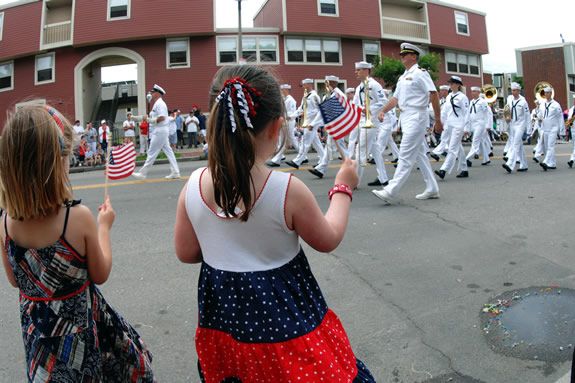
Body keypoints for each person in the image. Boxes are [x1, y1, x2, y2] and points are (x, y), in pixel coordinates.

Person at [173, 65, 375, 382]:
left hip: (224, 323)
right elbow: (328, 237)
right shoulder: (286, 190)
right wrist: (343, 187)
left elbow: (185, 251)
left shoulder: (193, 185)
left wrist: (224, 245)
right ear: (276, 126)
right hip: (286, 326)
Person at [0, 105, 154, 382]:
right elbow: (100, 272)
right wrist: (104, 227)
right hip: (77, 341)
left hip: (37, 338)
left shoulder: (3, 222)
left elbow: (14, 279)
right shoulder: (77, 217)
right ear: (55, 163)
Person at [372, 42, 441, 204]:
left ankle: (391, 190)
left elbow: (433, 94)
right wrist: (383, 110)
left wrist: (438, 119)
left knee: (405, 154)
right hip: (406, 117)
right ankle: (432, 188)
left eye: (405, 54)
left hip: (417, 116)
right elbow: (395, 99)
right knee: (420, 154)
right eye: (401, 54)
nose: (401, 56)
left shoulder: (420, 73)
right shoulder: (403, 77)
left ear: (414, 56)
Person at [133, 84, 181, 179]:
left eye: (153, 92)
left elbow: (162, 117)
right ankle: (175, 172)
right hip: (160, 130)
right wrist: (140, 118)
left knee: (151, 152)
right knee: (169, 152)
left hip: (160, 130)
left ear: (158, 93)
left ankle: (143, 173)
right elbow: (152, 117)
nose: (152, 93)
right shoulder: (157, 103)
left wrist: (151, 120)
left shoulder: (160, 104)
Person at [352, 61, 387, 186]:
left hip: (371, 120)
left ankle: (355, 181)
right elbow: (356, 104)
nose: (356, 72)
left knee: (360, 149)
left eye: (359, 70)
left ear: (366, 71)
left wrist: (370, 109)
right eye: (356, 70)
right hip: (362, 120)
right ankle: (383, 178)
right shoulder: (359, 87)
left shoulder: (375, 85)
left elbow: (384, 101)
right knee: (375, 149)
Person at [308, 75, 350, 178]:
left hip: (338, 125)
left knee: (338, 147)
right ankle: (321, 169)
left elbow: (327, 112)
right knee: (330, 146)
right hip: (333, 125)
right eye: (326, 83)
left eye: (328, 83)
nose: (327, 85)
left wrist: (314, 124)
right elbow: (323, 111)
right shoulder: (329, 95)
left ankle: (350, 166)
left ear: (334, 83)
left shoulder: (337, 95)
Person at [434, 76, 469, 180]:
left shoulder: (463, 97)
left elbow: (466, 113)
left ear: (458, 85)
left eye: (453, 83)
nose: (451, 85)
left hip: (458, 125)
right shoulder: (449, 97)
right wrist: (439, 123)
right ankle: (464, 169)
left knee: (452, 148)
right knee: (458, 147)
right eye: (450, 83)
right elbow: (444, 112)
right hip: (449, 125)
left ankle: (443, 170)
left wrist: (466, 128)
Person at [285, 78, 325, 169]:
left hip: (311, 122)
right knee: (316, 143)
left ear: (309, 85)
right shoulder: (306, 96)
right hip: (308, 122)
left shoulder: (315, 96)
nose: (303, 87)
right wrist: (292, 116)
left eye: (304, 85)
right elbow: (301, 109)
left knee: (305, 141)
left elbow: (319, 110)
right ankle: (323, 159)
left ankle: (297, 161)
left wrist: (313, 123)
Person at [266, 83, 299, 167]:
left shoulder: (290, 100)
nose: (281, 91)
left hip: (289, 121)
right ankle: (302, 156)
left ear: (286, 90)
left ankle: (277, 160)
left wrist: (287, 117)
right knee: (284, 139)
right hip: (284, 120)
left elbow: (291, 112)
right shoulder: (286, 99)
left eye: (282, 90)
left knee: (285, 139)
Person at [502, 82, 530, 173]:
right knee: (520, 146)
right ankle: (524, 164)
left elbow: (527, 116)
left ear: (519, 91)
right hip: (512, 124)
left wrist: (529, 129)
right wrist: (507, 118)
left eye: (514, 90)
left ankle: (510, 164)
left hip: (520, 125)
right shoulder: (510, 100)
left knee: (515, 144)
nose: (513, 92)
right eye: (512, 90)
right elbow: (507, 110)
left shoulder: (523, 102)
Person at [537, 86, 563, 171]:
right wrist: (539, 119)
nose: (547, 94)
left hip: (553, 128)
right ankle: (552, 163)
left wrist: (561, 130)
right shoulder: (542, 104)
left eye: (548, 93)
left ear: (551, 94)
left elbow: (560, 117)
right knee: (546, 146)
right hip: (545, 128)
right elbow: (540, 115)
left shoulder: (556, 105)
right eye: (545, 93)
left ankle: (545, 161)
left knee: (550, 146)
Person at [465, 87, 491, 166]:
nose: (473, 93)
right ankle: (486, 159)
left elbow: (487, 114)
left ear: (478, 93)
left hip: (480, 123)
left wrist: (488, 125)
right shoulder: (471, 102)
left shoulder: (482, 102)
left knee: (475, 141)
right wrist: (467, 127)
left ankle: (467, 159)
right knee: (481, 142)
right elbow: (468, 114)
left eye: (474, 91)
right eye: (472, 91)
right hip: (473, 124)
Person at [430, 85, 451, 161]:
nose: (440, 92)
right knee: (445, 139)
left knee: (445, 139)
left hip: (449, 122)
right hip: (441, 122)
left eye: (442, 90)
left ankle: (437, 153)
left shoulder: (450, 99)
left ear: (446, 91)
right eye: (440, 90)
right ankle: (449, 154)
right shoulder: (440, 101)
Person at [568, 95, 575, 168]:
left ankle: (572, 159)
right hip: (573, 130)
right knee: (574, 147)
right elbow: (569, 121)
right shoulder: (571, 109)